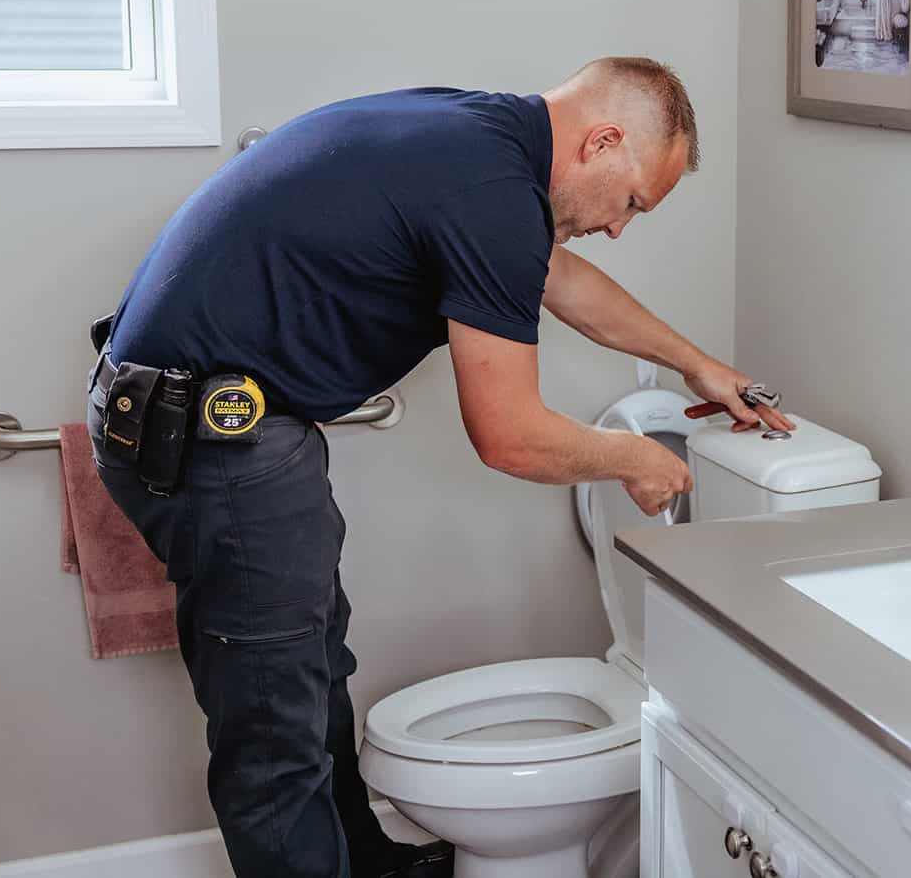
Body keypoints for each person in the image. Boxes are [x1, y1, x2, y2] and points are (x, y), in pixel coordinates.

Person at [85, 57, 792, 878]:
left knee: (313, 670)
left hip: (219, 415)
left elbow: (558, 279)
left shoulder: (481, 135)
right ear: (601, 142)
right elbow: (510, 435)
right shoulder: (493, 194)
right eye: (632, 201)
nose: (621, 227)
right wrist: (633, 458)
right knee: (274, 731)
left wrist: (694, 364)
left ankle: (371, 868)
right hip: (214, 432)